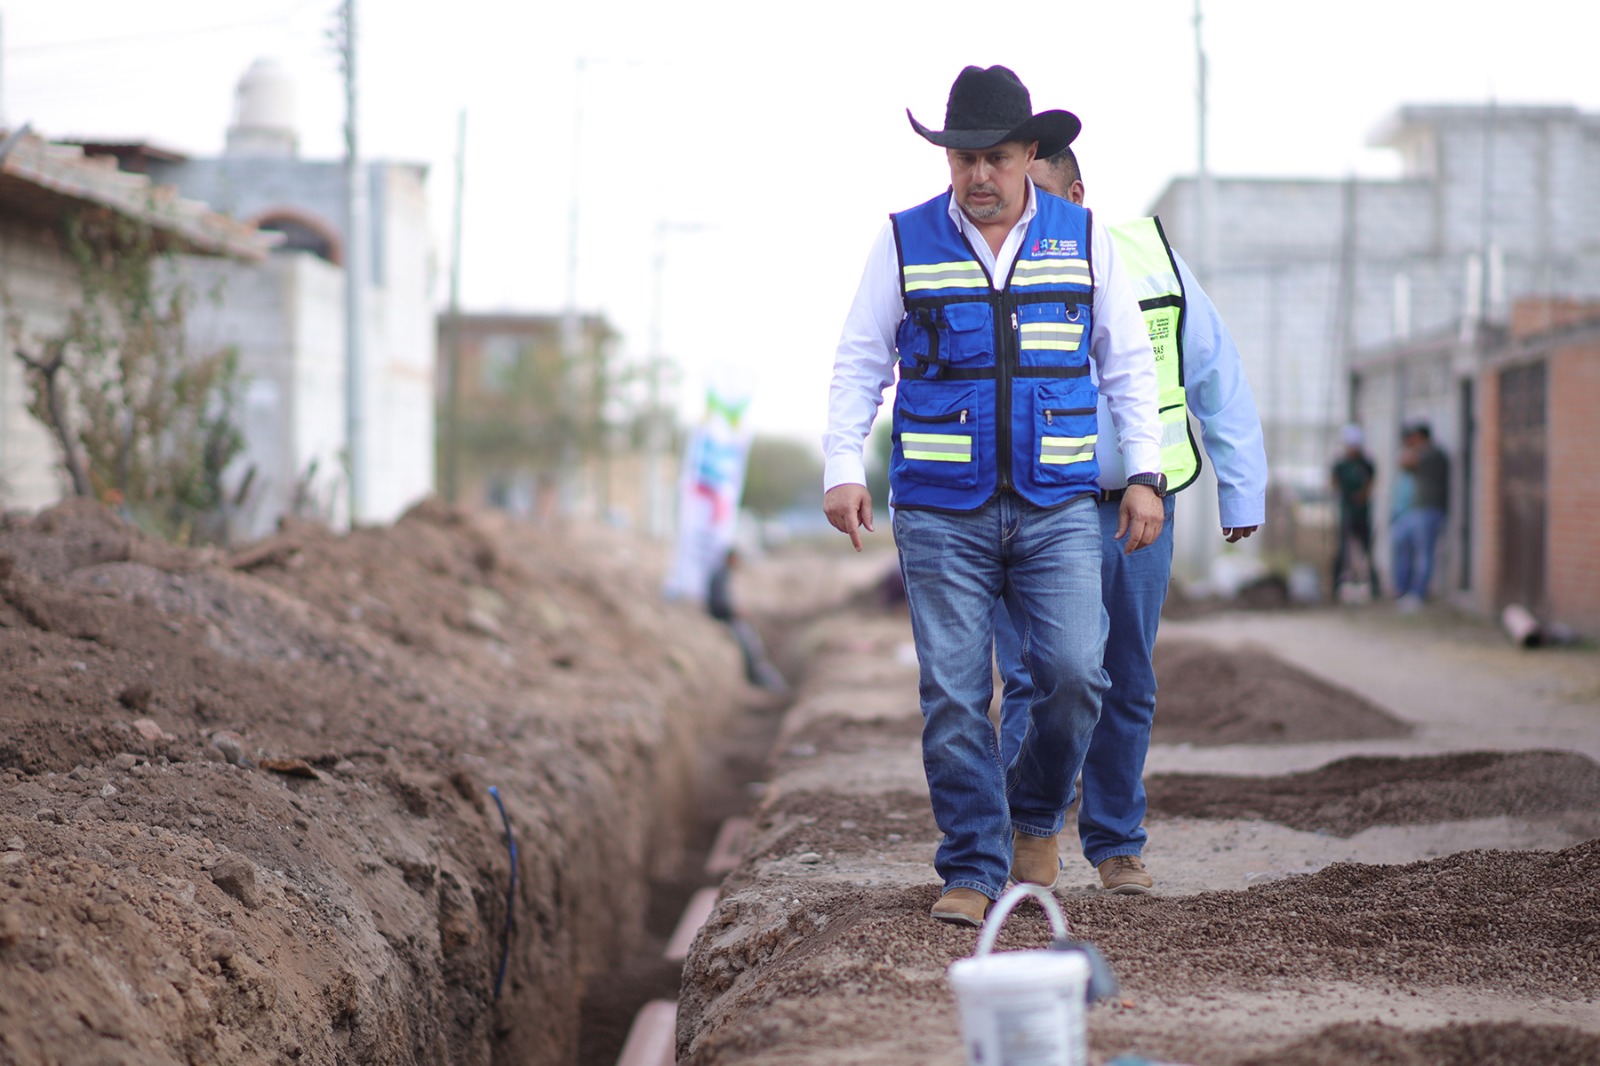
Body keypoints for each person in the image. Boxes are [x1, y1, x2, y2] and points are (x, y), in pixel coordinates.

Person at [822, 65, 1165, 927]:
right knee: (952, 694)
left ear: (1029, 156)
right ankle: (972, 867)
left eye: (997, 158)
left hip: (1056, 505)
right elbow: (861, 358)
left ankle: (1034, 813)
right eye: (963, 157)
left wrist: (1149, 476)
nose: (979, 175)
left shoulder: (1083, 240)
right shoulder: (903, 241)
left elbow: (1127, 364)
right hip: (941, 511)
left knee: (1075, 673)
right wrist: (841, 464)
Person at [993, 145, 1268, 895]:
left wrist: (1242, 491)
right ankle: (1028, 835)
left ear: (1076, 194)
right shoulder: (993, 272)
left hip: (1137, 511)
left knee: (1128, 680)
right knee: (1035, 674)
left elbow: (1217, 373)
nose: (1025, 217)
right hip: (1036, 506)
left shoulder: (1151, 263)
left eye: (1041, 196)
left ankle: (1116, 844)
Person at [706, 548, 789, 693]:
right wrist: (734, 611)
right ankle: (765, 682)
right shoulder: (721, 575)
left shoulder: (722, 573)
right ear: (732, 559)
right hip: (725, 618)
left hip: (725, 616)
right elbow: (719, 604)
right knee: (751, 646)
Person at [1390, 419, 1449, 609]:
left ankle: (1419, 594)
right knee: (1403, 545)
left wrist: (1411, 449)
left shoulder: (1433, 453)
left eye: (1413, 437)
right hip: (1415, 511)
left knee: (1425, 553)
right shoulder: (1424, 453)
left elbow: (1405, 462)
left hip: (1429, 510)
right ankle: (1403, 589)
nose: (1410, 441)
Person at [1331, 423, 1381, 602]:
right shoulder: (1341, 464)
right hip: (1346, 512)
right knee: (1342, 549)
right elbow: (1334, 483)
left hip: (1362, 513)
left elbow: (1369, 484)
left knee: (1367, 549)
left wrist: (1361, 496)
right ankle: (1335, 587)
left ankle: (1375, 587)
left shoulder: (1365, 464)